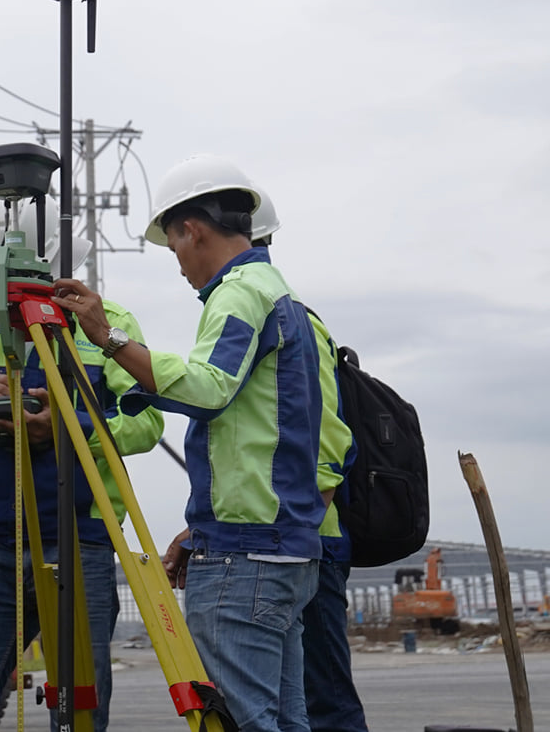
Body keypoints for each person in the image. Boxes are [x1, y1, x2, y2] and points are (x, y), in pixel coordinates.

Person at [54, 155, 346, 732]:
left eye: (174, 246)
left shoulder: (240, 294)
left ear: (192, 228)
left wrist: (110, 340)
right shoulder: (284, 296)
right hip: (285, 547)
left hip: (247, 555)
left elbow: (211, 388)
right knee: (285, 719)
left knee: (242, 720)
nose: (180, 264)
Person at [0, 197, 164, 732]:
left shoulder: (107, 325)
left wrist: (64, 428)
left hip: (82, 542)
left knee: (78, 713)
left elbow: (146, 425)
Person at [249, 196, 366, 732]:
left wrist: (299, 527)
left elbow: (330, 442)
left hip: (307, 542)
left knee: (323, 701)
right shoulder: (262, 314)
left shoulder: (291, 321)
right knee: (289, 701)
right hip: (286, 539)